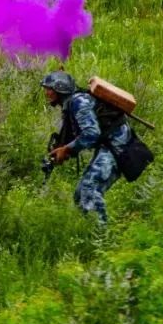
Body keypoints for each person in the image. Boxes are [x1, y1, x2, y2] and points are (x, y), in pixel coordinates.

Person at [42, 70, 133, 224]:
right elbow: (80, 136)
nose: (46, 93)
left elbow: (91, 134)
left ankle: (102, 241)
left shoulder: (79, 102)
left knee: (88, 191)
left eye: (49, 89)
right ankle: (92, 235)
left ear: (59, 89)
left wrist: (67, 149)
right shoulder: (71, 104)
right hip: (109, 145)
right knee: (80, 195)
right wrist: (63, 151)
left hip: (117, 146)